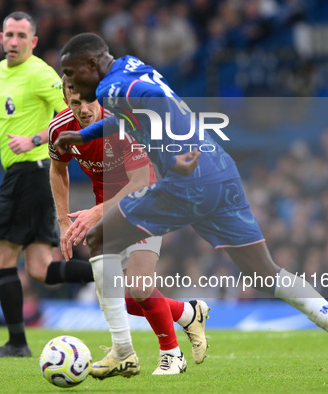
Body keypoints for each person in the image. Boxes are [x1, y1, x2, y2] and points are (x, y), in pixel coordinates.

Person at [54, 33, 328, 387]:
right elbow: (137, 112)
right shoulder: (130, 66)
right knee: (266, 274)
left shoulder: (111, 88)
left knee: (99, 239)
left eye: (72, 73)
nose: (70, 83)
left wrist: (178, 151)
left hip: (187, 177)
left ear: (92, 65)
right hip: (220, 171)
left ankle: (123, 351)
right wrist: (85, 135)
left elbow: (150, 100)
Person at [48, 78, 209, 376]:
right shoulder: (60, 129)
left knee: (138, 287)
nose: (83, 110)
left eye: (88, 101)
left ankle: (172, 355)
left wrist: (94, 212)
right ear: (66, 102)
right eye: (75, 103)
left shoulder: (122, 122)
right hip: (109, 218)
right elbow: (57, 169)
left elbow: (139, 181)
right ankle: (188, 313)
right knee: (124, 301)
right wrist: (63, 221)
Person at [0, 12, 93, 359]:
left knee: (1, 258)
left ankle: (16, 343)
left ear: (33, 42)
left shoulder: (41, 74)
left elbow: (69, 111)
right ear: (0, 37)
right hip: (33, 175)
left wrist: (36, 138)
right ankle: (107, 273)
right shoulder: (0, 70)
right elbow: (12, 116)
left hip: (30, 171)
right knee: (39, 269)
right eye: (9, 34)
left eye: (21, 36)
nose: (14, 41)